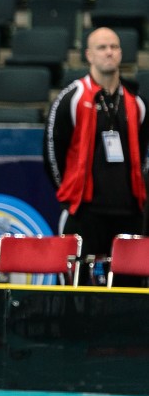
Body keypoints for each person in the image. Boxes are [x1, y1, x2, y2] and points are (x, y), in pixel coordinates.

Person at [44, 27, 149, 286]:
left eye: (114, 47)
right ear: (89, 55)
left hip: (129, 212)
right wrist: (70, 194)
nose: (109, 52)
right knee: (77, 289)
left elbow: (143, 156)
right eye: (102, 47)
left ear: (121, 53)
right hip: (85, 212)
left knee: (130, 292)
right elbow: (52, 153)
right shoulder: (71, 98)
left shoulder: (136, 102)